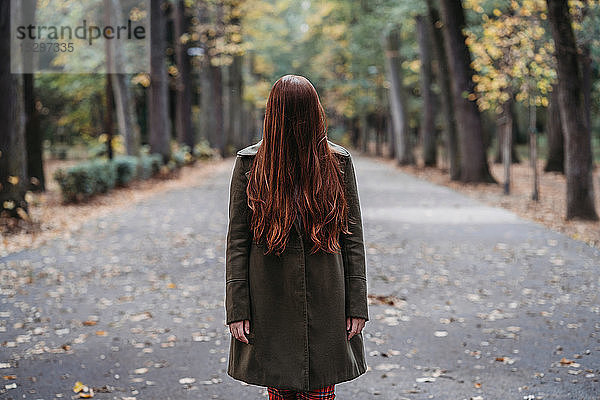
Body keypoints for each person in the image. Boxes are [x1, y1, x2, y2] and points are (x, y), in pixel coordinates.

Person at [225, 74, 369, 400]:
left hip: (328, 296)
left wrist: (356, 304)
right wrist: (238, 308)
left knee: (320, 392)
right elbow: (238, 240)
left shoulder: (337, 161)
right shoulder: (251, 163)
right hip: (269, 296)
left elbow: (352, 237)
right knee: (280, 390)